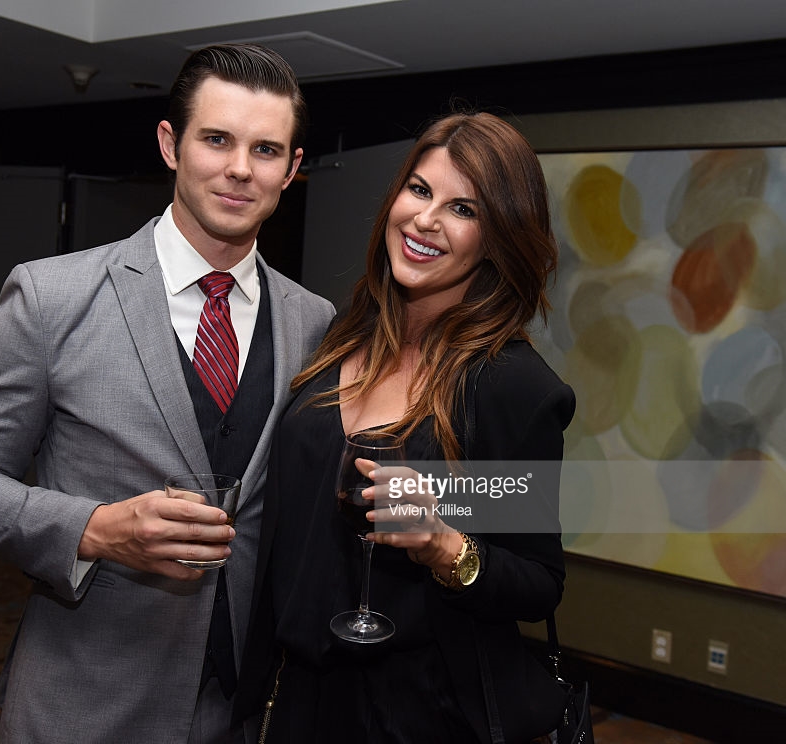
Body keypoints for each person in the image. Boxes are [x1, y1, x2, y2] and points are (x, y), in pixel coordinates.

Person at [0, 43, 335, 744]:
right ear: (170, 144)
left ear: (292, 170)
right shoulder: (52, 296)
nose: (240, 168)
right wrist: (94, 530)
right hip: (87, 699)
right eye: (217, 139)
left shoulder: (313, 321)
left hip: (245, 708)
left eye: (266, 150)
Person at [235, 111, 576, 743]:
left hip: (416, 712)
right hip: (295, 698)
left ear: (498, 239)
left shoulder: (510, 387)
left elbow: (538, 582)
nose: (425, 220)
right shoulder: (339, 336)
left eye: (463, 209)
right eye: (419, 190)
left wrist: (445, 545)